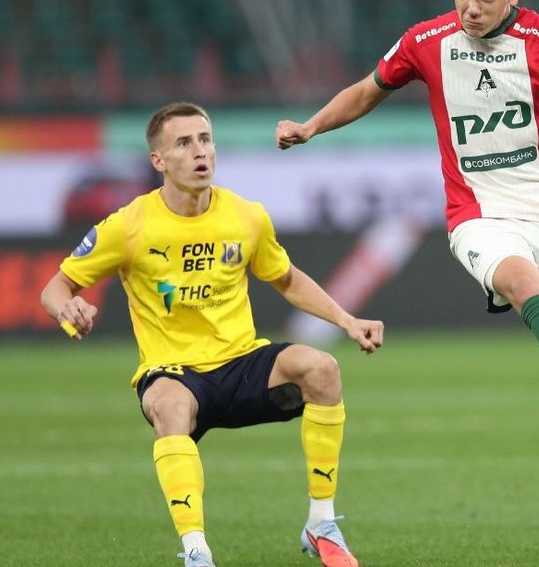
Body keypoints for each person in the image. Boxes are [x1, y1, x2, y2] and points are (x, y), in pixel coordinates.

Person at [275, 0, 539, 567]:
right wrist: (311, 126)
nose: (471, 9)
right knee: (520, 284)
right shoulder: (426, 42)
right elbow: (368, 90)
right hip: (476, 215)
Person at [42, 101, 382, 567]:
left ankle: (321, 524)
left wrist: (346, 320)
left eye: (205, 139)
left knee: (322, 368)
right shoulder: (128, 225)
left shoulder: (246, 216)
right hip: (174, 372)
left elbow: (285, 278)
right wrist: (69, 308)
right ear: (159, 160)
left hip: (241, 363)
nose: (200, 151)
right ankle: (196, 552)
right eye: (183, 143)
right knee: (169, 406)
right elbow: (55, 288)